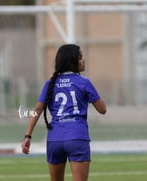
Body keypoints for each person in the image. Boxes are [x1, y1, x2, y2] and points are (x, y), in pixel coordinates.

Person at [21, 44, 106, 181]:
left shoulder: (50, 83)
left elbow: (37, 110)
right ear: (71, 61)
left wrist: (28, 136)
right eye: (80, 57)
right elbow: (102, 109)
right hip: (77, 137)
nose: (84, 60)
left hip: (55, 139)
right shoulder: (84, 82)